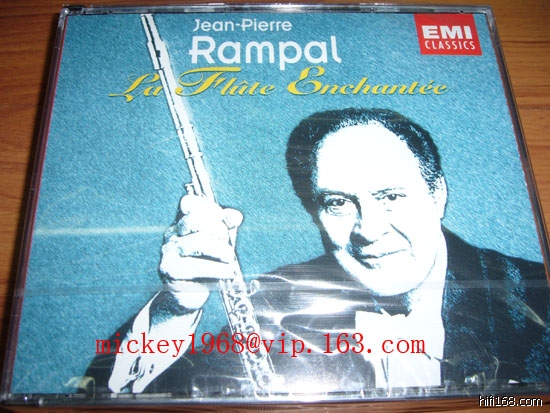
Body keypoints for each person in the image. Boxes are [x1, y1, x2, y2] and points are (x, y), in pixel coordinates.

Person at [86, 108, 550, 398]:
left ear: (437, 195)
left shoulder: (536, 298)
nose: (369, 229)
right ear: (314, 213)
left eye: (391, 196)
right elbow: (123, 397)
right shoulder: (274, 303)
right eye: (338, 203)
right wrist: (175, 309)